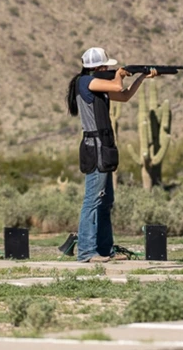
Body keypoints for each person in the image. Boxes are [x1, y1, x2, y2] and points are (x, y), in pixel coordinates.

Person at [66, 47, 157, 263]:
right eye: (106, 66)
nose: (108, 68)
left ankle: (105, 250)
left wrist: (141, 77)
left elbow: (124, 96)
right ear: (98, 67)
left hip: (103, 147)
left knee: (106, 201)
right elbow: (117, 85)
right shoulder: (86, 82)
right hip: (95, 148)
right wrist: (121, 74)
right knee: (93, 201)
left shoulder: (97, 85)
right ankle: (87, 252)